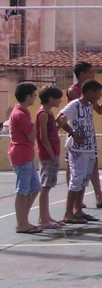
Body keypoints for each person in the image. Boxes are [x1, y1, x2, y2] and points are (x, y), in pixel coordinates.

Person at [66, 62, 102, 209]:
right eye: (90, 73)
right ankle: (74, 205)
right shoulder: (74, 91)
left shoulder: (90, 97)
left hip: (88, 136)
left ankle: (97, 197)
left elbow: (99, 110)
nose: (92, 75)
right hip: (77, 136)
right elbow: (65, 116)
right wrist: (72, 133)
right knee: (75, 170)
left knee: (91, 165)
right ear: (82, 74)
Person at [57, 80, 102, 224]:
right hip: (78, 150)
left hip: (89, 147)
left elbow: (101, 110)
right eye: (98, 93)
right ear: (90, 92)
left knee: (84, 180)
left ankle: (78, 210)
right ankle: (68, 213)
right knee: (76, 180)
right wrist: (73, 133)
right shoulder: (75, 105)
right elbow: (59, 118)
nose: (99, 96)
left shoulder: (89, 105)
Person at [8, 82, 42, 233]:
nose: (35, 98)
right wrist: (34, 127)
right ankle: (21, 223)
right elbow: (31, 136)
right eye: (34, 95)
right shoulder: (20, 114)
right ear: (27, 96)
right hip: (21, 154)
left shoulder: (23, 112)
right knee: (22, 190)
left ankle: (24, 219)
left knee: (35, 187)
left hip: (26, 154)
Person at [36, 86, 67, 229]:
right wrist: (51, 153)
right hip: (48, 155)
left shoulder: (49, 113)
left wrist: (60, 124)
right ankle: (43, 219)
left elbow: (52, 132)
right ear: (50, 99)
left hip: (52, 153)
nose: (60, 101)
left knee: (48, 186)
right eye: (57, 98)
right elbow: (43, 137)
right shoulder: (42, 114)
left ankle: (46, 217)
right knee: (45, 187)